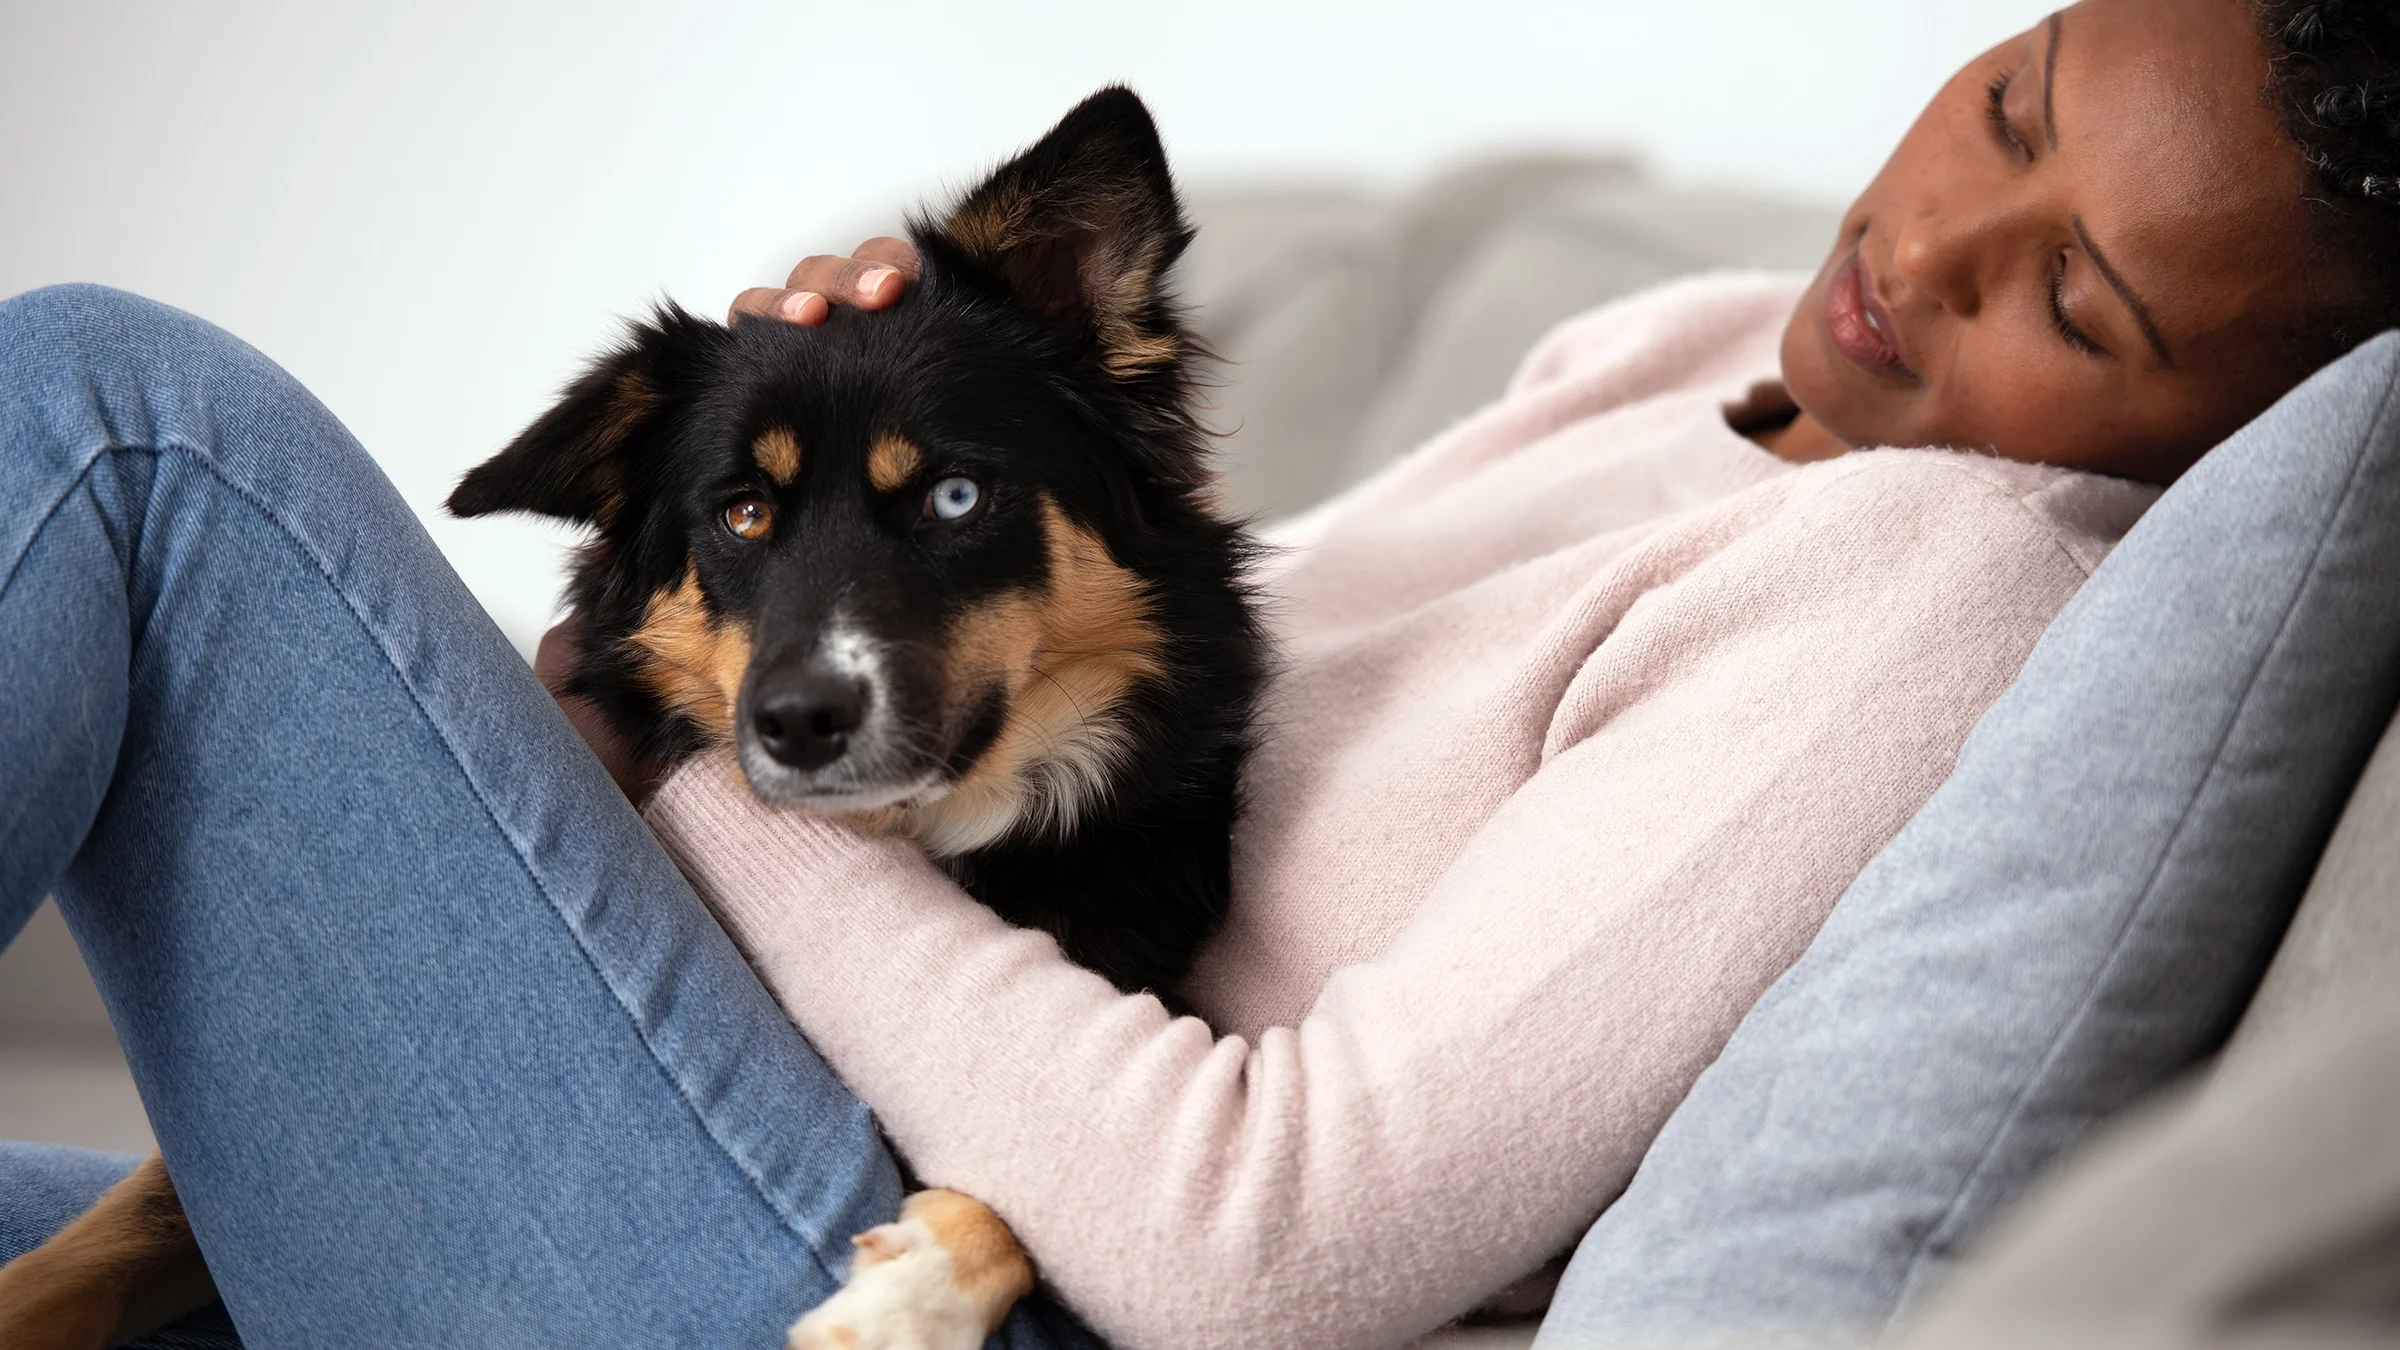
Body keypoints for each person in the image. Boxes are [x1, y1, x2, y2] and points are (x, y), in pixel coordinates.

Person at [0, 0, 2389, 1345]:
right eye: (2009, 102)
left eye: (2081, 302)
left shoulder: (1936, 592)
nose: (1936, 237)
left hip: (933, 1286)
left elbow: (1286, 1232)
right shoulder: (1693, 356)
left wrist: (714, 718)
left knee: (129, 432)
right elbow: (1119, 640)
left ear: (2239, 422)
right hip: (806, 1110)